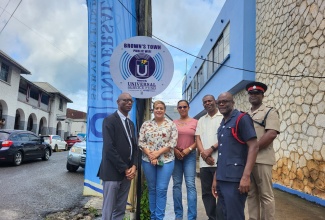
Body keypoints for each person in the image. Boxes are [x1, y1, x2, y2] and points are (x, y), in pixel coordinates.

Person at [212, 92, 259, 220]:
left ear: (233, 103)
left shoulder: (242, 119)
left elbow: (254, 146)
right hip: (222, 178)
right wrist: (216, 178)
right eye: (219, 102)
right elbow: (222, 153)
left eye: (225, 101)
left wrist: (246, 177)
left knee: (234, 216)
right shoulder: (223, 123)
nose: (221, 104)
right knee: (222, 215)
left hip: (235, 180)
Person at [97, 93, 138, 220]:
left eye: (131, 100)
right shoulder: (109, 121)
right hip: (112, 173)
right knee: (108, 210)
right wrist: (125, 168)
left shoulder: (130, 124)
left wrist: (134, 167)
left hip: (127, 174)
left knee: (120, 209)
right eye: (125, 100)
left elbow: (134, 147)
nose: (129, 103)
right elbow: (109, 148)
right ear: (117, 102)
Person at [245, 82, 280, 220]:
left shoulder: (270, 112)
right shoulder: (246, 114)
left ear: (262, 95)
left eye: (257, 93)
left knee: (266, 195)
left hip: (262, 159)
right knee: (251, 193)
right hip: (248, 160)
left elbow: (271, 133)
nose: (253, 96)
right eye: (251, 93)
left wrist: (254, 149)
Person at [138, 100, 178, 220]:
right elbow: (141, 142)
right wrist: (150, 155)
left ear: (164, 110)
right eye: (156, 108)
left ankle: (159, 217)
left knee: (161, 189)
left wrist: (157, 153)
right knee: (152, 189)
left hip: (166, 160)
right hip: (147, 160)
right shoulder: (146, 124)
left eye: (161, 108)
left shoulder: (171, 125)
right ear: (153, 110)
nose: (159, 110)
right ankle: (153, 217)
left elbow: (173, 142)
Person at [195, 94, 223, 220]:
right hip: (205, 163)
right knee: (207, 193)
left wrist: (210, 150)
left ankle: (221, 217)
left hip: (220, 162)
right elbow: (198, 138)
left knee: (221, 192)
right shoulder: (201, 120)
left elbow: (225, 138)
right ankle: (212, 217)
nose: (207, 103)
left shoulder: (223, 116)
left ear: (215, 101)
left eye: (209, 101)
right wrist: (204, 155)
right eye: (205, 102)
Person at [172, 100, 198, 220]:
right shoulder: (173, 123)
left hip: (190, 156)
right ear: (177, 109)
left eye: (184, 107)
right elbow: (169, 139)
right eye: (180, 107)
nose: (182, 109)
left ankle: (191, 217)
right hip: (176, 156)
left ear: (188, 108)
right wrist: (174, 150)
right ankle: (178, 216)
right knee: (176, 185)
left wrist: (189, 148)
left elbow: (198, 140)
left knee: (190, 185)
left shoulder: (195, 122)